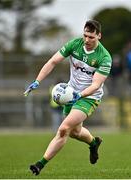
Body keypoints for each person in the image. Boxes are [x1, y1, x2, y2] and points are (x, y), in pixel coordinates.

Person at [24, 20, 112, 176]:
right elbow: (53, 61)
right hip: (71, 93)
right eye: (85, 35)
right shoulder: (74, 44)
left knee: (64, 129)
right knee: (74, 132)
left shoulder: (105, 58)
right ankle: (93, 143)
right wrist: (37, 81)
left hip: (89, 97)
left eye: (91, 37)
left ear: (99, 36)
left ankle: (39, 164)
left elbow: (96, 85)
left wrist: (80, 95)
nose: (87, 40)